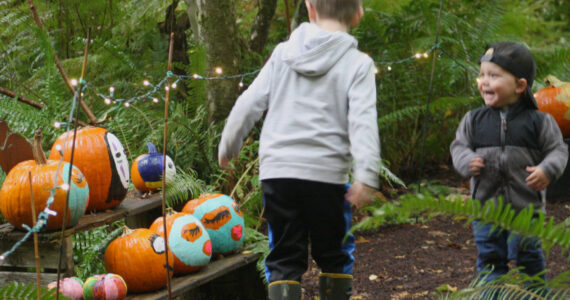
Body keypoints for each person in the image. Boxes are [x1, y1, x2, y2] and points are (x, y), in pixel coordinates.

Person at [218, 0, 380, 298]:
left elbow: (249, 103)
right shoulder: (358, 64)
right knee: (334, 253)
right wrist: (366, 175)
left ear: (310, 9)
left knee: (284, 257)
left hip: (279, 174)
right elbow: (363, 123)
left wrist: (229, 144)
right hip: (327, 177)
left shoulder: (282, 55)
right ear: (358, 15)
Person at [450, 42, 568, 296]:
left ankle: (537, 295)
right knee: (491, 261)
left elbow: (558, 150)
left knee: (529, 260)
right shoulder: (473, 120)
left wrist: (547, 169)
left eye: (493, 75)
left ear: (520, 86)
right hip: (486, 210)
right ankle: (492, 295)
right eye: (482, 75)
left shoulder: (540, 122)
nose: (484, 81)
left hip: (526, 210)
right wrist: (466, 160)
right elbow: (458, 147)